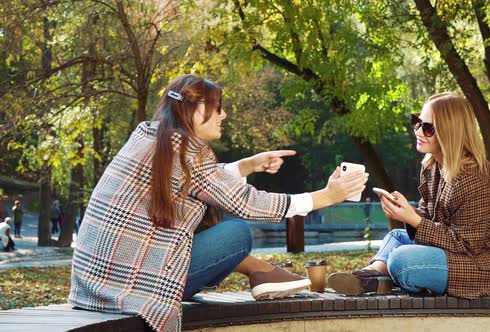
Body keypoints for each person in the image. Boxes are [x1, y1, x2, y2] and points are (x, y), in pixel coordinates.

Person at [68, 75, 368, 332]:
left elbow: (194, 181)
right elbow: (250, 204)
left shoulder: (149, 136)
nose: (223, 115)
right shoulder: (188, 152)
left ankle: (261, 272)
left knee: (211, 233)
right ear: (197, 110)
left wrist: (246, 166)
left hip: (93, 286)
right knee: (237, 234)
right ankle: (261, 271)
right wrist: (327, 197)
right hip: (138, 289)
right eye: (218, 108)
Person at [328, 92, 490, 299]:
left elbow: (465, 245)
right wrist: (405, 212)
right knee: (396, 237)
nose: (418, 131)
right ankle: (369, 278)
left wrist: (412, 219)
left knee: (402, 260)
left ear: (450, 132)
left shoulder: (473, 177)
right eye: (417, 122)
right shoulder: (432, 166)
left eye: (428, 127)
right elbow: (431, 219)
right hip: (460, 253)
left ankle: (378, 280)